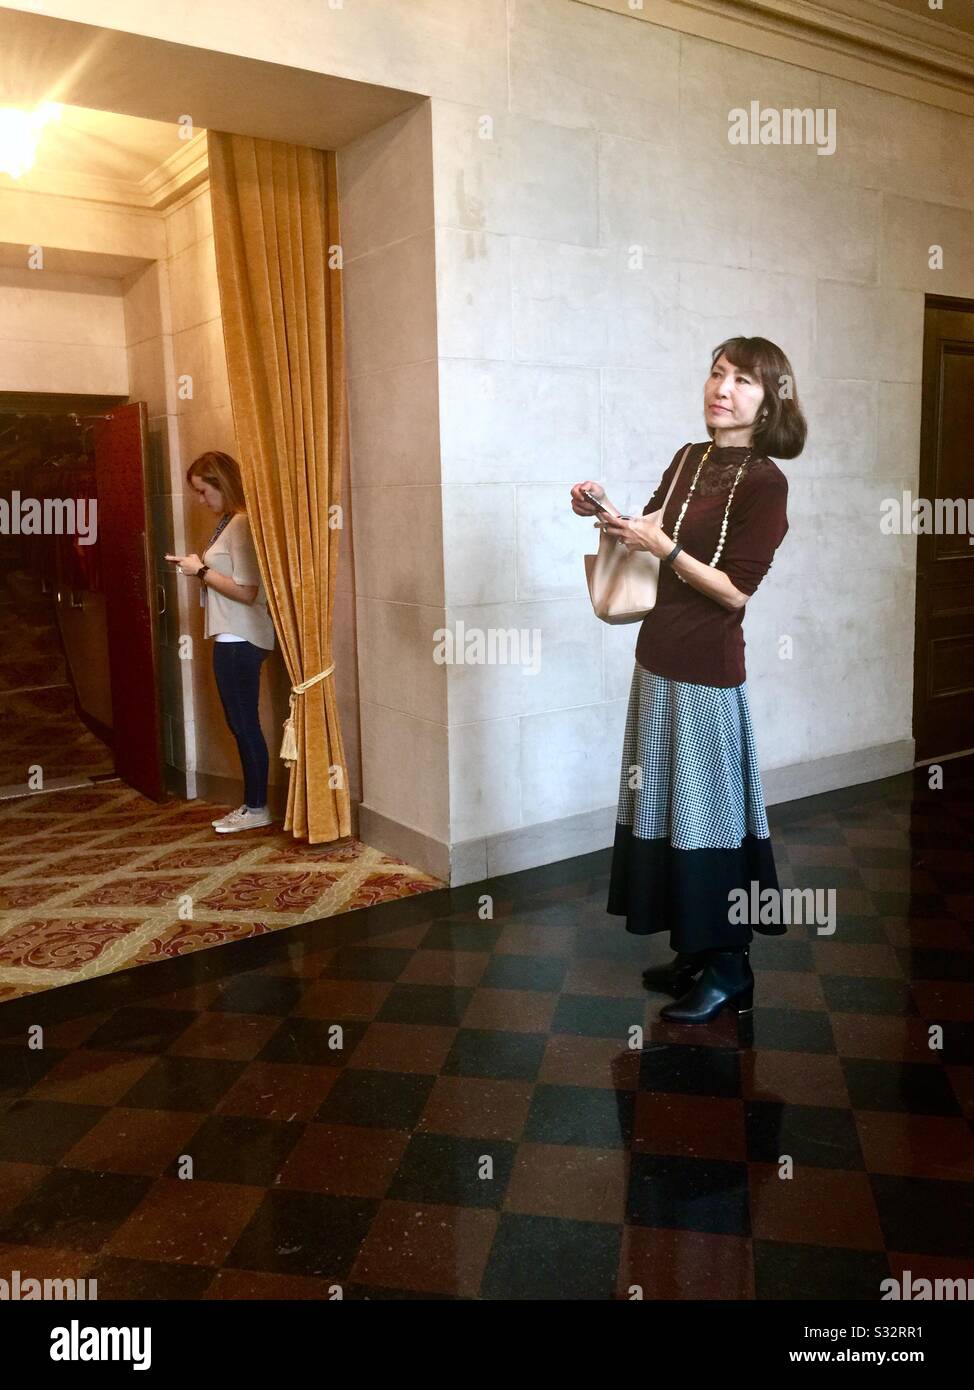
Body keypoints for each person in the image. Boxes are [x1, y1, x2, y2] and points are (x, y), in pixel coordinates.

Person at [571, 336, 805, 1023]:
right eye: (717, 373)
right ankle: (694, 951)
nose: (721, 388)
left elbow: (735, 592)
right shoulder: (689, 459)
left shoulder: (767, 482)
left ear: (769, 404)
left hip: (707, 671)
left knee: (709, 820)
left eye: (742, 381)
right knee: (667, 810)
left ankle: (730, 968)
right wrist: (603, 511)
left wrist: (664, 546)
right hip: (657, 657)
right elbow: (645, 532)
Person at [166, 450, 276, 834]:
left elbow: (248, 591)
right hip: (232, 635)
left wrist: (201, 570)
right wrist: (198, 568)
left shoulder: (242, 524)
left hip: (240, 638)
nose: (200, 500)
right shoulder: (229, 522)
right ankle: (254, 804)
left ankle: (257, 806)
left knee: (243, 723)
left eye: (203, 491)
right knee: (240, 722)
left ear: (221, 484)